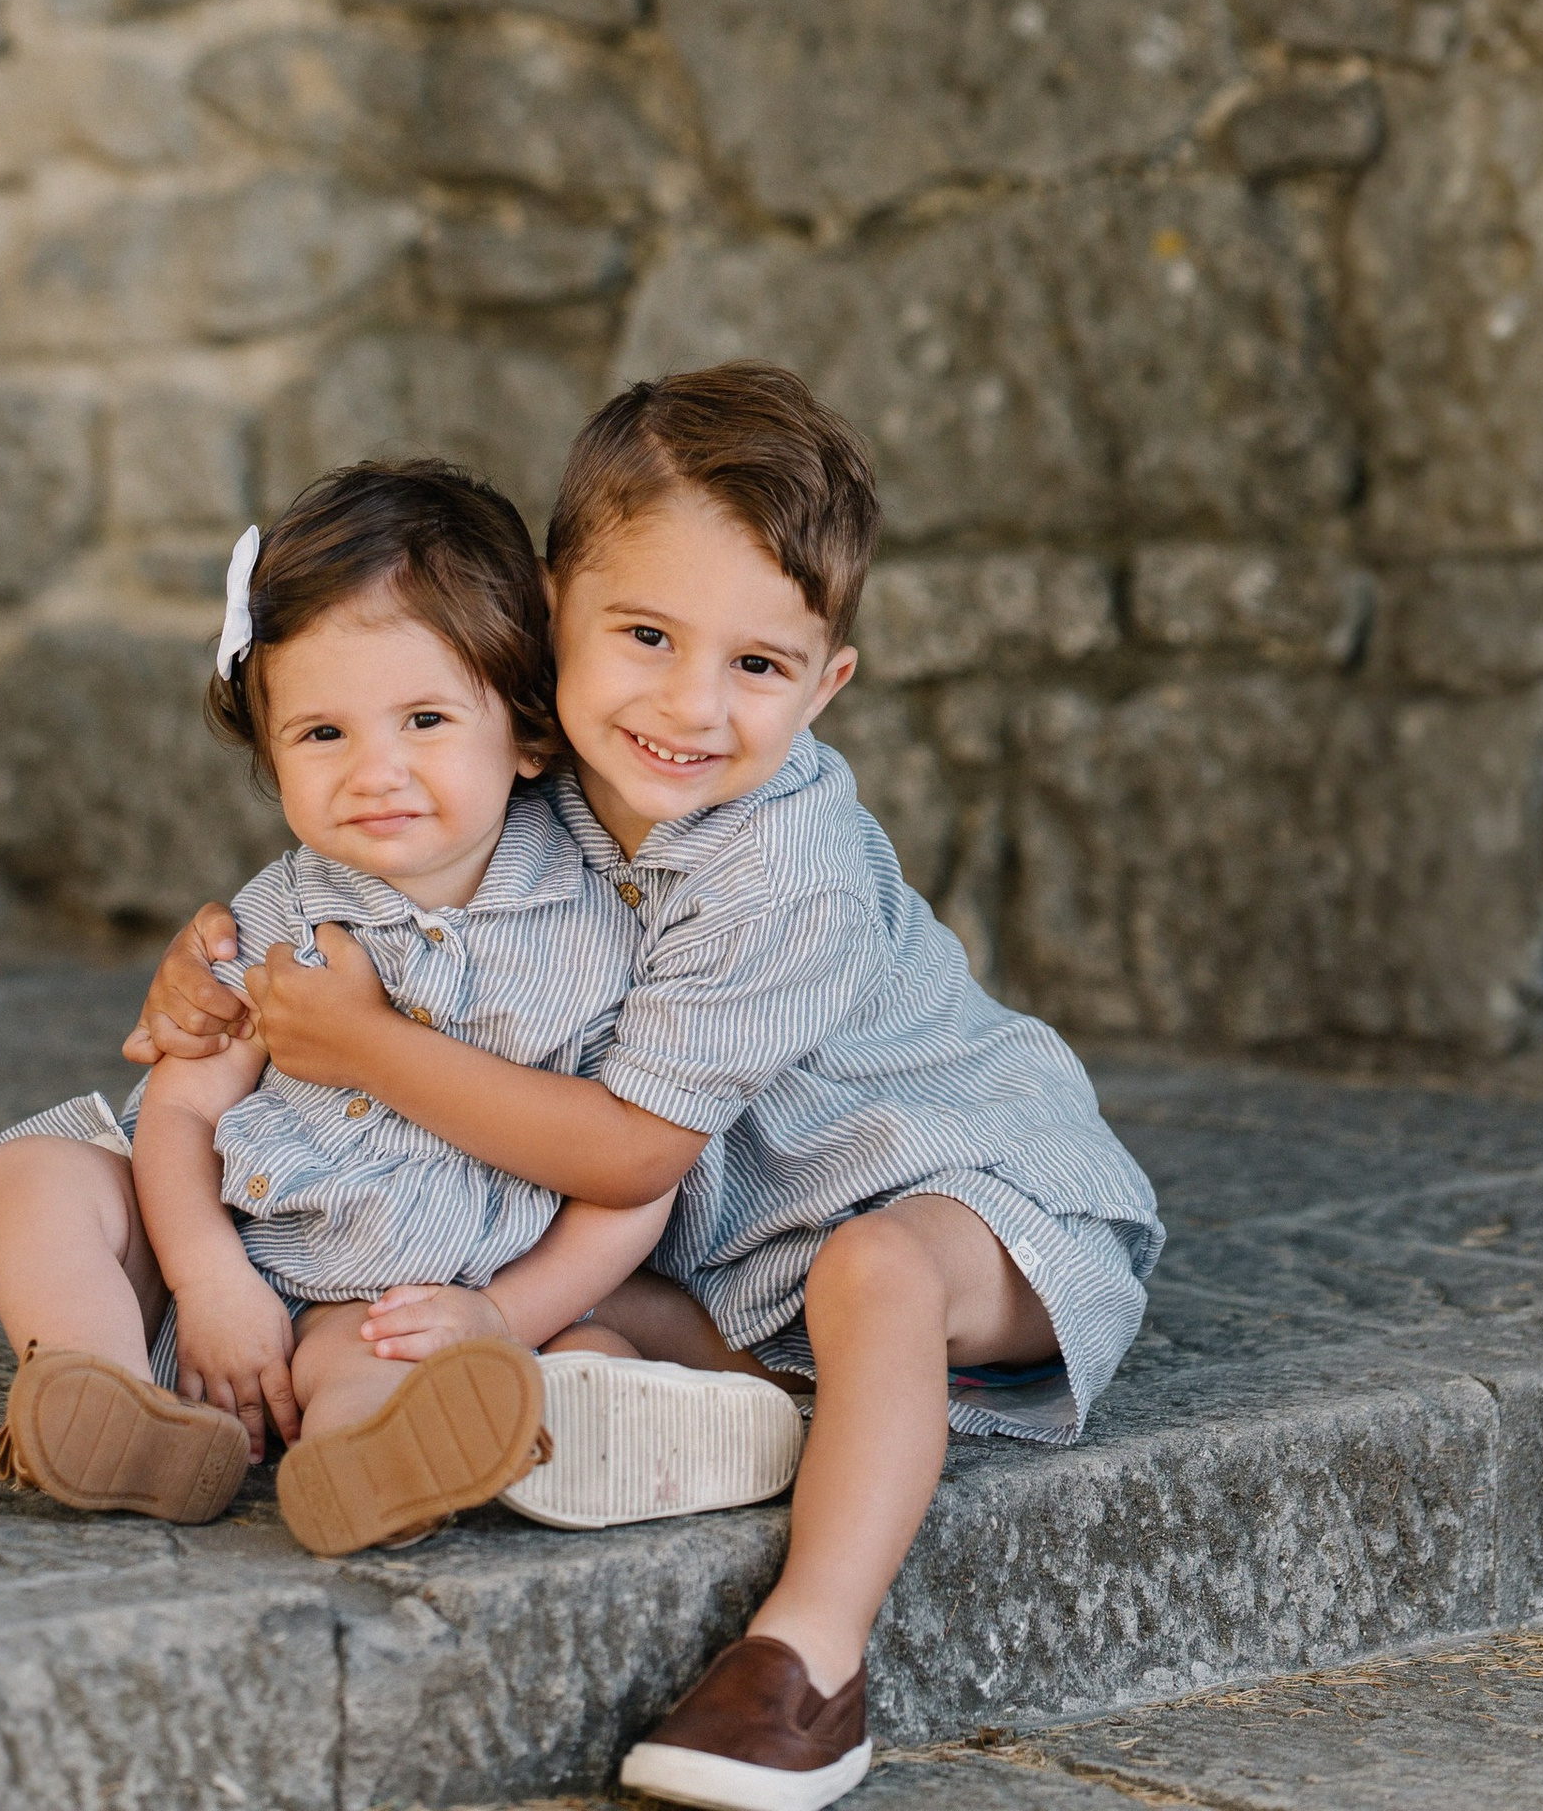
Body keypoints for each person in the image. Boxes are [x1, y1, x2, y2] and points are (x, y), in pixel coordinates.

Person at [131, 363, 1165, 1811]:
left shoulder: (777, 869)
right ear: (549, 613)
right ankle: (677, 1402)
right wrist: (219, 960)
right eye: (646, 634)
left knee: (873, 1272)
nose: (688, 705)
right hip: (735, 1239)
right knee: (518, 1283)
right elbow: (378, 878)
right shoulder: (538, 763)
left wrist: (361, 1046)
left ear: (826, 683)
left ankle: (809, 1660)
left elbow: (623, 1153)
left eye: (756, 666)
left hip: (966, 1199)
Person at [0, 454, 803, 1556]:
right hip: (220, 1267)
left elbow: (631, 1179)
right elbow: (177, 1114)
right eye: (323, 735)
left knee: (374, 1367)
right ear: (270, 752)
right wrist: (210, 1280)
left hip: (401, 1306)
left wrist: (511, 1312)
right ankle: (104, 1392)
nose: (375, 771)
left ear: (527, 731)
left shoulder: (606, 922)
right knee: (29, 1173)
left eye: (423, 720)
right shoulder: (276, 917)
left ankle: (368, 1468)